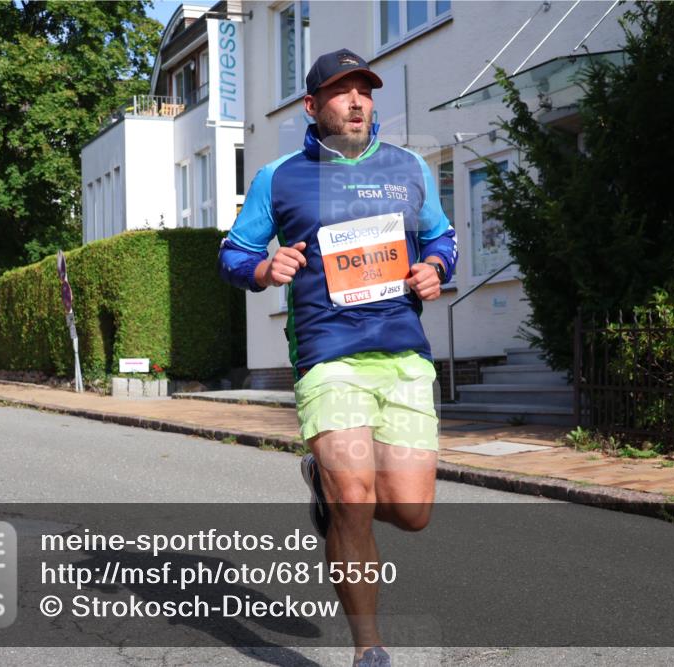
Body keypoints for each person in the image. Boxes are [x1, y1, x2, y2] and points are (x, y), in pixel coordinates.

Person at [218, 48, 457, 667]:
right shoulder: (280, 177)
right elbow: (233, 253)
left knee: (411, 511)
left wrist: (435, 268)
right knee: (355, 496)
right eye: (342, 92)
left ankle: (323, 492)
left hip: (403, 355)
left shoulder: (408, 169)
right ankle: (369, 648)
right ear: (312, 105)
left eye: (365, 91)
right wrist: (266, 268)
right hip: (329, 356)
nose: (357, 102)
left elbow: (441, 238)